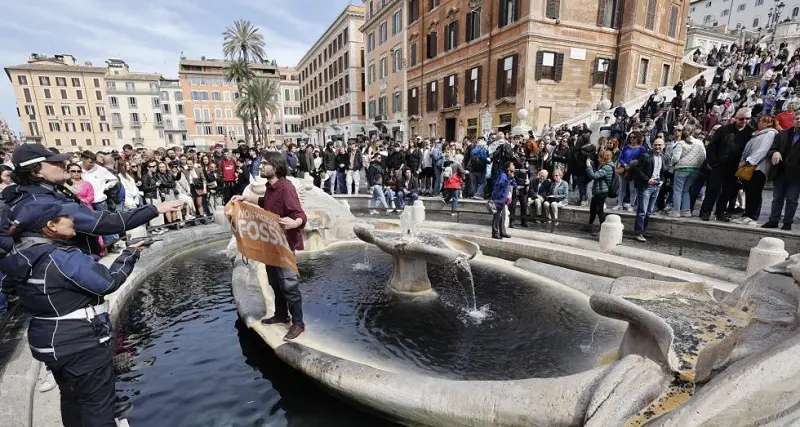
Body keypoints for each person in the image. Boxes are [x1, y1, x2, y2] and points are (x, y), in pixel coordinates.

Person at [0, 201, 151, 427]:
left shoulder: (18, 255)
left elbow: (11, 287)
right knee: (98, 406)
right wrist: (130, 254)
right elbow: (106, 282)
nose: (74, 220)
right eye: (66, 217)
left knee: (72, 399)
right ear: (50, 225)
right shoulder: (61, 257)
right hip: (81, 342)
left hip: (48, 342)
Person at [0, 144, 181, 258]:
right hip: (68, 276)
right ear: (35, 171)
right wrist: (154, 209)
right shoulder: (42, 202)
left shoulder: (36, 194)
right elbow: (100, 223)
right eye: (55, 162)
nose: (64, 164)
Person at [231, 151, 307, 341]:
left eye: (265, 163)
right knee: (274, 281)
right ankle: (282, 315)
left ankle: (298, 323)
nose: (261, 166)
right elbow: (265, 203)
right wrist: (246, 199)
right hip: (271, 243)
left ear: (276, 166)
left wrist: (295, 223)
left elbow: (299, 213)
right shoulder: (271, 187)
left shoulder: (286, 188)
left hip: (284, 245)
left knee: (289, 285)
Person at [700, 108, 754, 222]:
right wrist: (712, 162)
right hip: (719, 165)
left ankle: (720, 213)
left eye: (747, 119)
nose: (744, 121)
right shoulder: (724, 130)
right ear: (736, 118)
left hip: (735, 167)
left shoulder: (750, 132)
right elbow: (712, 146)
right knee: (712, 189)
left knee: (727, 191)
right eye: (741, 119)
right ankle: (705, 212)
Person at [737, 115, 778, 226]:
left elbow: (763, 150)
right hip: (749, 165)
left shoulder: (770, 133)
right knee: (749, 191)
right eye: (759, 121)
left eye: (763, 122)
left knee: (755, 192)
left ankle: (753, 216)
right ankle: (747, 214)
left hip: (758, 167)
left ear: (770, 123)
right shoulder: (756, 134)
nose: (760, 123)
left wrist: (751, 161)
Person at [763, 110, 800, 230]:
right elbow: (772, 149)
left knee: (792, 199)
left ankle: (787, 223)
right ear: (793, 120)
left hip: (796, 175)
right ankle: (773, 220)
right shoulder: (783, 134)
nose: (799, 120)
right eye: (797, 118)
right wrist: (775, 152)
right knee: (777, 198)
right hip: (780, 171)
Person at [633, 138, 667, 242]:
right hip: (645, 186)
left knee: (649, 211)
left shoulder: (664, 157)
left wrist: (662, 181)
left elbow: (664, 172)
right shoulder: (645, 155)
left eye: (660, 145)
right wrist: (648, 180)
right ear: (652, 145)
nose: (657, 147)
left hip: (656, 187)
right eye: (656, 145)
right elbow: (637, 170)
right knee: (642, 211)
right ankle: (638, 232)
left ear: (664, 146)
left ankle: (643, 230)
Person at [670, 127, 706, 218]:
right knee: (686, 190)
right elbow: (704, 156)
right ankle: (686, 211)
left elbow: (675, 158)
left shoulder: (680, 143)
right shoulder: (700, 143)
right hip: (694, 170)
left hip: (681, 169)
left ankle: (676, 211)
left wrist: (671, 164)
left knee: (678, 191)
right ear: (693, 132)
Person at [585, 150, 615, 232]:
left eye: (599, 157)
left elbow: (593, 176)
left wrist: (588, 166)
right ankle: (589, 226)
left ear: (604, 158)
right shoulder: (605, 166)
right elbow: (598, 174)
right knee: (593, 209)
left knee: (599, 210)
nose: (598, 159)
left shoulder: (607, 167)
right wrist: (592, 165)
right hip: (598, 191)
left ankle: (603, 229)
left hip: (601, 192)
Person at [490, 162, 515, 240]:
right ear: (508, 168)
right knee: (497, 216)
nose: (514, 166)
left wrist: (511, 178)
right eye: (512, 165)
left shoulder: (507, 176)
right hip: (498, 199)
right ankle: (495, 233)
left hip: (503, 200)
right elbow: (500, 185)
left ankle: (502, 232)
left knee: (502, 217)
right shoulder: (503, 175)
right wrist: (509, 179)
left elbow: (514, 184)